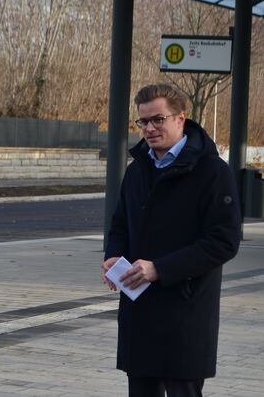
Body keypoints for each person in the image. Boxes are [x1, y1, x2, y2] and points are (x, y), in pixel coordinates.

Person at [102, 83, 241, 397]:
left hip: (186, 310)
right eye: (143, 122)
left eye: (157, 120)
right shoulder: (138, 170)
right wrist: (114, 255)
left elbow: (224, 241)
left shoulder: (212, 172)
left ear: (181, 118)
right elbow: (120, 224)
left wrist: (160, 269)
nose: (149, 129)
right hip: (140, 310)